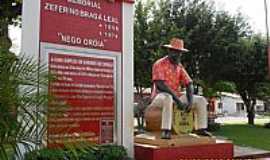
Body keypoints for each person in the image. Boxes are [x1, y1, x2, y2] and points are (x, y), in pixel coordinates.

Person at [149, 38, 210, 139]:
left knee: (201, 100)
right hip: (160, 96)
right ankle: (166, 130)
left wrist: (190, 102)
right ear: (169, 51)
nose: (178, 55)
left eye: (180, 52)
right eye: (176, 52)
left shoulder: (179, 67)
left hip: (176, 95)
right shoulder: (159, 64)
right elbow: (160, 85)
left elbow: (189, 83)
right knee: (168, 98)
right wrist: (177, 100)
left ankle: (201, 128)